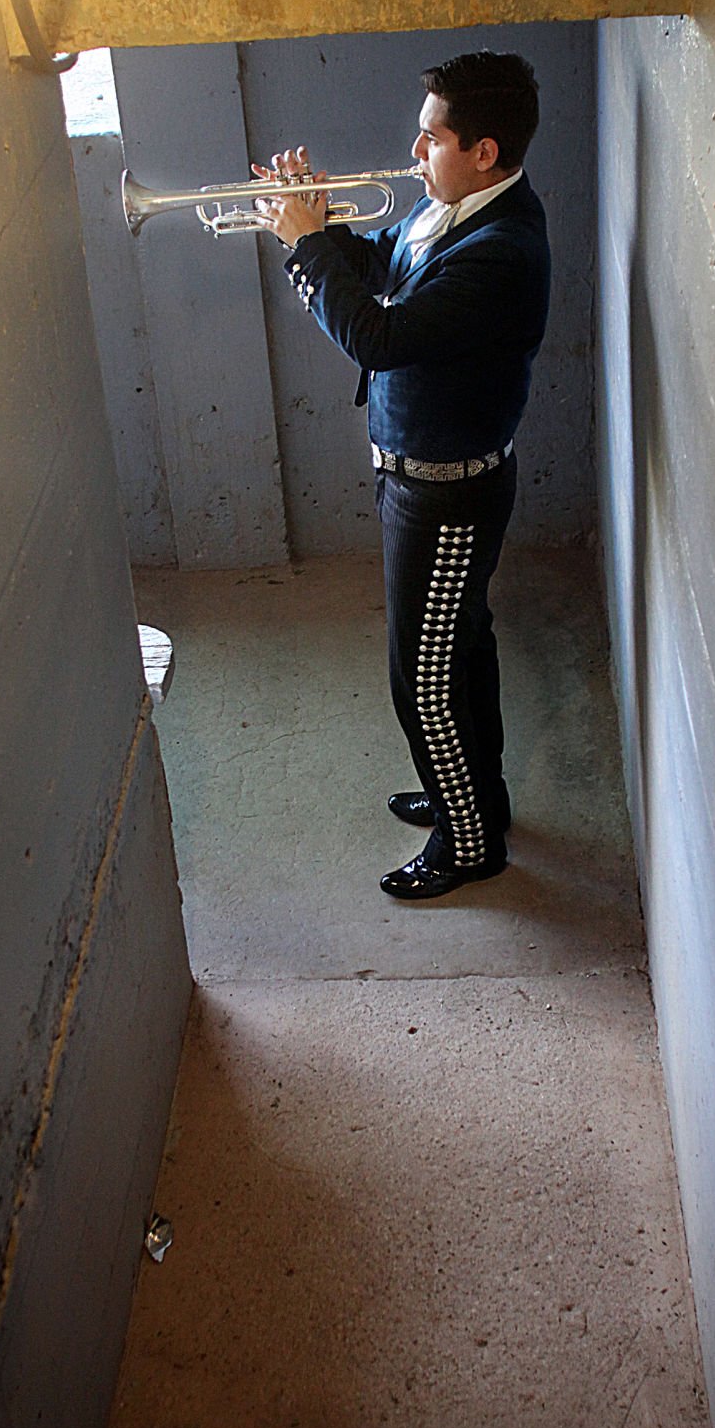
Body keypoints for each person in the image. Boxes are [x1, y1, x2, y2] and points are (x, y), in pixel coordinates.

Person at [255, 50, 551, 900]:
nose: (412, 152)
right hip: (418, 480)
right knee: (457, 654)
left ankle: (469, 844)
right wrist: (306, 221)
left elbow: (378, 339)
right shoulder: (450, 210)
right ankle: (470, 793)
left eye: (430, 139)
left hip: (449, 494)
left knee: (423, 678)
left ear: (484, 150)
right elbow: (378, 259)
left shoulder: (501, 250)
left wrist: (307, 249)